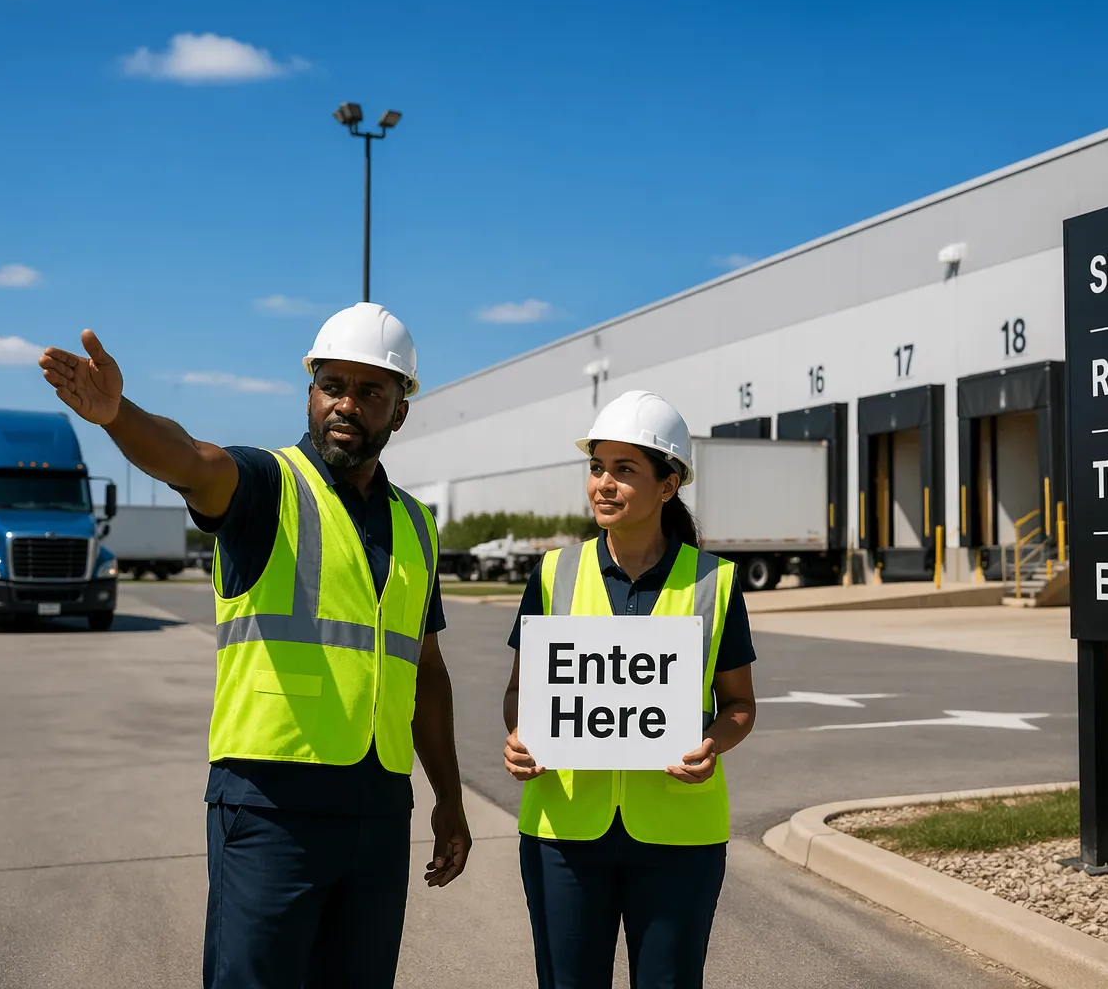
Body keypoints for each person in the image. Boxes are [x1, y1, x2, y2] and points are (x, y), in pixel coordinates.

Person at [38, 303, 471, 989]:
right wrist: (120, 416)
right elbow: (191, 460)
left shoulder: (416, 524)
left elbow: (428, 672)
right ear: (309, 392)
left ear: (399, 411)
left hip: (381, 811)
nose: (346, 405)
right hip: (272, 808)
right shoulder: (269, 486)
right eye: (332, 385)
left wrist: (449, 797)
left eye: (370, 392)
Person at [502, 390, 758, 989]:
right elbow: (521, 691)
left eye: (624, 470)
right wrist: (518, 733)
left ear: (669, 486)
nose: (604, 485)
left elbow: (740, 706)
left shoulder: (715, 582)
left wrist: (712, 744)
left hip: (679, 836)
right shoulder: (552, 573)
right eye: (596, 468)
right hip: (563, 830)